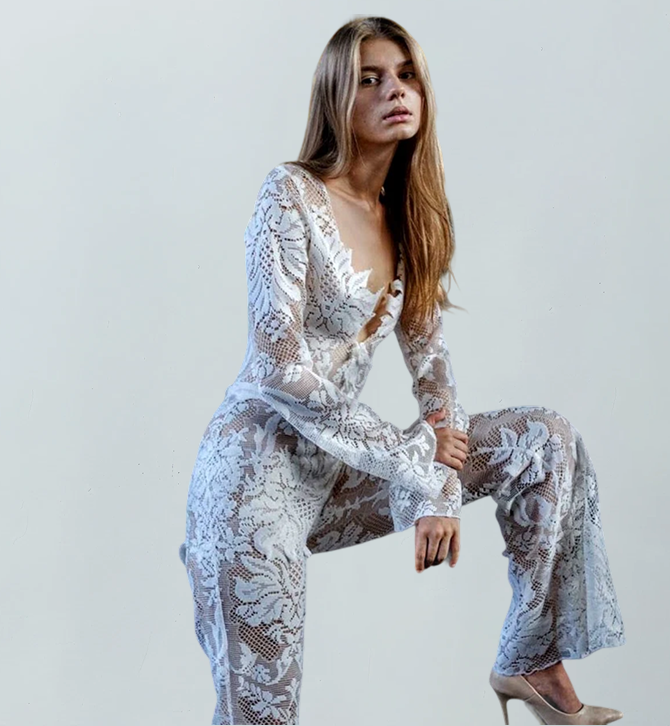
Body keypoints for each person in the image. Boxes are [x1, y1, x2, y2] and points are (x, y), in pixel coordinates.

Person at [179, 16, 625, 724]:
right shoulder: (288, 194)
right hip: (251, 480)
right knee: (262, 715)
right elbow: (277, 370)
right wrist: (418, 466)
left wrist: (438, 487)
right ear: (336, 96)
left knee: (545, 439)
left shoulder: (408, 221)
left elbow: (435, 380)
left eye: (407, 74)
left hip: (339, 475)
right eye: (371, 78)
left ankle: (529, 659)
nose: (397, 90)